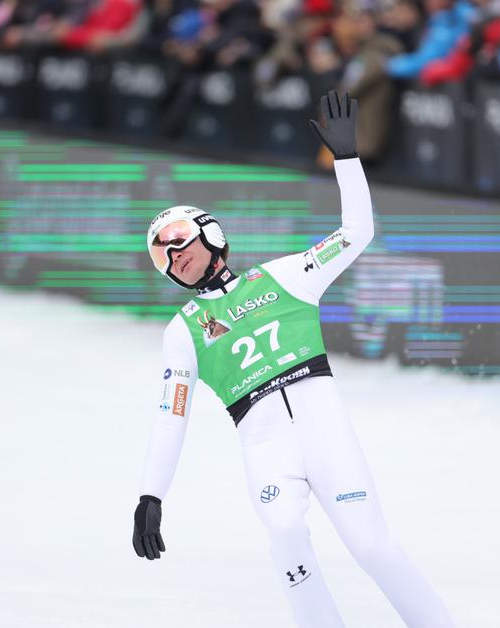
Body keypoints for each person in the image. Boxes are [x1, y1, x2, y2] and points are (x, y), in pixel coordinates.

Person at [131, 90, 456, 628]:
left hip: (326, 433)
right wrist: (151, 495)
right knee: (284, 531)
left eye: (179, 239)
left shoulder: (284, 276)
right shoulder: (182, 331)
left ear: (211, 234)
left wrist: (347, 159)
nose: (173, 254)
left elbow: (357, 234)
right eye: (161, 253)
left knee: (372, 547)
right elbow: (171, 416)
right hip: (266, 447)